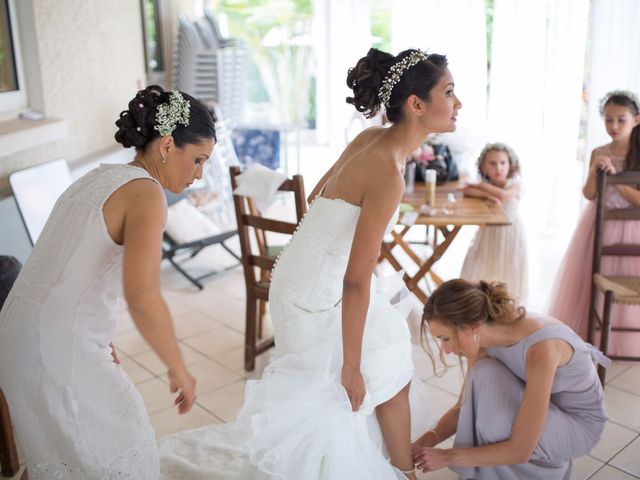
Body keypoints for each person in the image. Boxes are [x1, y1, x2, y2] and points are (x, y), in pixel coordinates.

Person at [157, 47, 461, 479]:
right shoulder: (389, 173)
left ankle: (400, 470)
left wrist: (319, 256)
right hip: (317, 295)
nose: (458, 103)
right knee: (346, 387)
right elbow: (355, 282)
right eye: (449, 92)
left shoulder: (369, 140)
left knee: (392, 359)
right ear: (416, 105)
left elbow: (318, 199)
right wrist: (350, 367)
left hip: (298, 277)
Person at [0, 85, 216, 479]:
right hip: (55, 344)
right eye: (198, 160)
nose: (199, 175)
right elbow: (143, 296)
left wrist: (94, 327)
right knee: (123, 444)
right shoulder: (147, 196)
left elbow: (62, 265)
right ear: (167, 145)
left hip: (15, 335)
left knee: (59, 449)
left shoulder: (97, 178)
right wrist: (177, 366)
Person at [413, 279, 608, 479]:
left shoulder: (541, 350)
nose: (446, 350)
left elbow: (520, 450)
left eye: (446, 338)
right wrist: (425, 442)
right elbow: (462, 407)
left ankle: (545, 471)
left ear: (472, 326)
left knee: (495, 422)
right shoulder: (481, 336)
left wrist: (448, 457)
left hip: (579, 425)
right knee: (483, 375)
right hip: (550, 409)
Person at [547, 90, 640, 356]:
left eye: (621, 120)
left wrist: (616, 180)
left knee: (627, 281)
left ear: (636, 120)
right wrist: (594, 173)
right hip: (598, 225)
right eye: (608, 120)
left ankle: (624, 342)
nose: (613, 126)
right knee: (592, 280)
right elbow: (589, 194)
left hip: (633, 228)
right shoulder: (600, 152)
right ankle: (592, 338)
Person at [460, 143, 528, 304]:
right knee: (485, 263)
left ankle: (506, 301)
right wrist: (487, 194)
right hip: (489, 232)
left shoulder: (516, 184)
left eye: (503, 163)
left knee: (508, 265)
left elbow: (504, 195)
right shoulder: (488, 185)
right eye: (492, 163)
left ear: (510, 165)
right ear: (483, 167)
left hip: (511, 232)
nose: (499, 167)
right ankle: (482, 300)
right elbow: (466, 190)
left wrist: (483, 187)